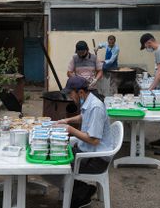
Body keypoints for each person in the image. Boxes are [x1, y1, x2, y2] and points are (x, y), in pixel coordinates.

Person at [45, 76, 114, 208]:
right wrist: (67, 121)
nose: (70, 97)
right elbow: (84, 117)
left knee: (52, 165)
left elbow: (94, 140)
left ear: (80, 92)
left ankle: (81, 190)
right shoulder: (89, 101)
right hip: (87, 152)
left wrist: (70, 129)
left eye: (71, 93)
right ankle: (81, 189)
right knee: (53, 154)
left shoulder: (96, 107)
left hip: (96, 160)